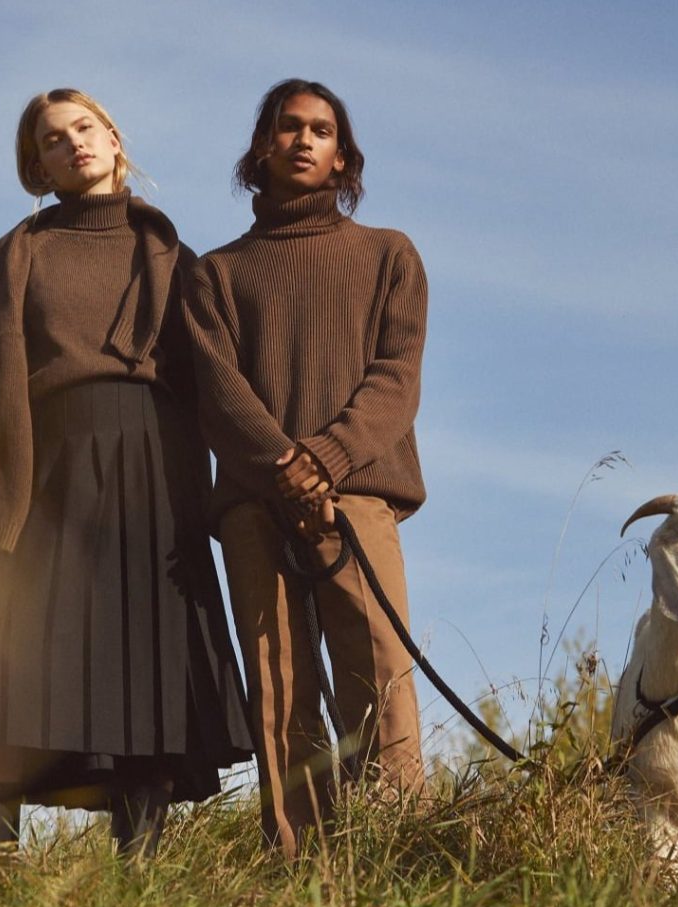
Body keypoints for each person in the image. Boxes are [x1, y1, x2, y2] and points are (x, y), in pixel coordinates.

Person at [0, 88, 252, 857]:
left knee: (146, 668)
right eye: (52, 139)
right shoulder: (20, 253)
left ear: (114, 138)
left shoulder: (174, 256)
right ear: (37, 168)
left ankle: (140, 879)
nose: (72, 143)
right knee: (14, 666)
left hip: (156, 470)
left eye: (84, 127)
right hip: (50, 470)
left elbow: (217, 380)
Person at [184, 78, 427, 857]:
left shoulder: (390, 255)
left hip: (360, 495)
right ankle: (298, 866)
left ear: (343, 156)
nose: (303, 140)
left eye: (321, 131)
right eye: (288, 127)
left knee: (380, 677)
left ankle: (394, 851)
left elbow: (396, 381)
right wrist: (284, 469)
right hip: (255, 504)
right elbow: (219, 391)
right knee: (279, 687)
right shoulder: (215, 273)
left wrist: (324, 459)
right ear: (262, 147)